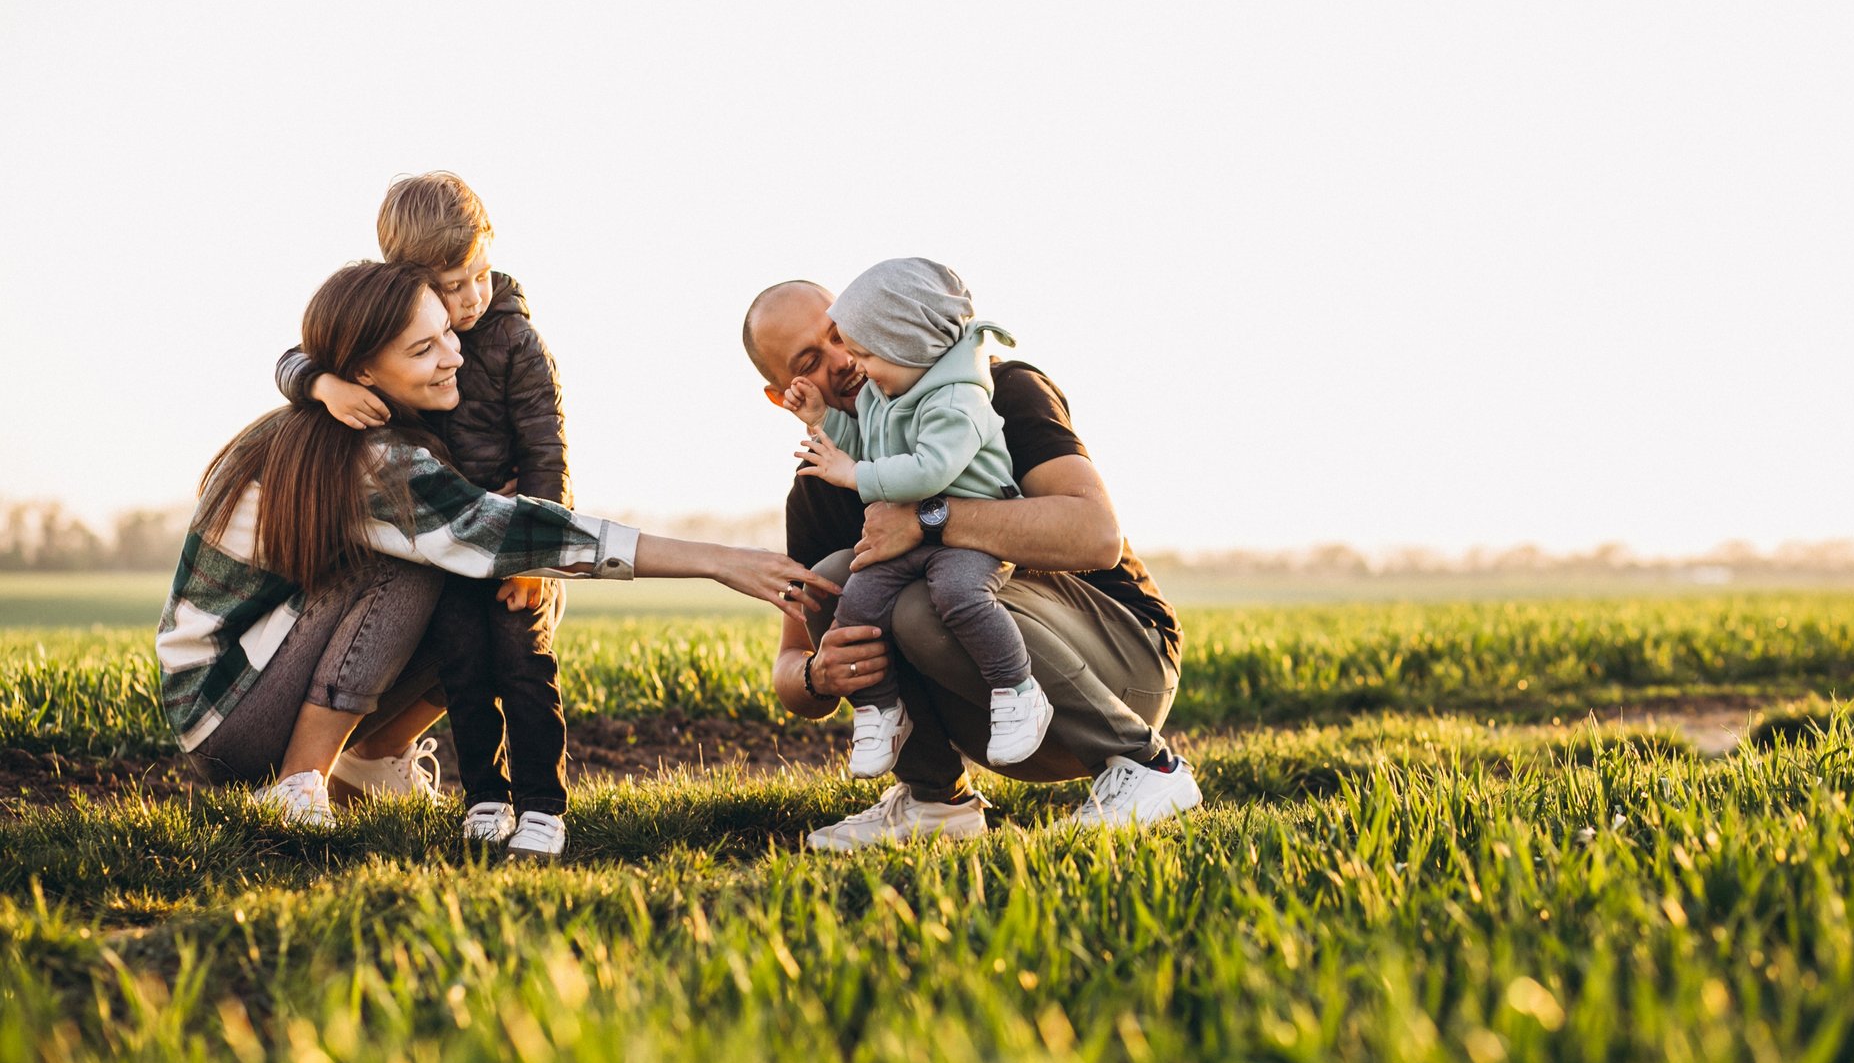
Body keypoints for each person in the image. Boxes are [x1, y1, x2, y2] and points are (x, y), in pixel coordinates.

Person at [159, 261, 832, 852]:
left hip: (257, 681)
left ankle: (369, 763)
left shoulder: (350, 417)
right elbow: (508, 533)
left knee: (510, 574)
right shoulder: (368, 458)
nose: (454, 355)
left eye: (447, 333)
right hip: (227, 707)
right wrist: (719, 561)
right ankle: (299, 785)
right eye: (423, 349)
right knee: (436, 566)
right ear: (363, 371)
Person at [741, 278, 1200, 850]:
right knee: (836, 577)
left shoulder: (991, 390)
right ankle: (935, 801)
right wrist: (819, 675)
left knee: (922, 595)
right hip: (995, 716)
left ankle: (1144, 765)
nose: (843, 361)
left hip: (1123, 671)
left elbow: (1096, 535)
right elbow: (791, 667)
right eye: (811, 361)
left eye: (841, 335)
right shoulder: (818, 490)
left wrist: (930, 516)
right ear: (782, 393)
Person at [273, 172, 579, 857]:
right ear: (407, 279)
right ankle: (485, 798)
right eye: (451, 285)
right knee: (465, 666)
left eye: (480, 273)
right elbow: (297, 354)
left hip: (506, 539)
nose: (472, 297)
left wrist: (538, 546)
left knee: (523, 663)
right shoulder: (387, 324)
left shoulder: (515, 342)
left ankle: (542, 806)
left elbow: (545, 445)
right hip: (433, 544)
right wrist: (323, 383)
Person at [784, 259, 1053, 779]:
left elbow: (929, 470)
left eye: (860, 350)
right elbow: (869, 444)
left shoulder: (962, 397)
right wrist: (822, 420)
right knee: (855, 597)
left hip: (974, 544)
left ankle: (1017, 689)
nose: (852, 364)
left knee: (955, 596)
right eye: (815, 359)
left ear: (907, 345)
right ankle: (882, 710)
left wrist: (852, 474)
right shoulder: (884, 396)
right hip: (913, 550)